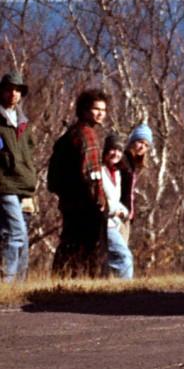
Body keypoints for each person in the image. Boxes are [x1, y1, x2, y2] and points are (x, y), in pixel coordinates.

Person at [51, 88, 110, 278]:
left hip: (70, 202)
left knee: (69, 244)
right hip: (86, 203)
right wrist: (100, 201)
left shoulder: (70, 134)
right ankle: (92, 285)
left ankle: (61, 280)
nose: (100, 113)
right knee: (93, 248)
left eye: (103, 110)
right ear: (85, 110)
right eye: (96, 109)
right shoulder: (87, 135)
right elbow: (91, 174)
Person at [0, 71, 36, 282]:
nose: (13, 93)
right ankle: (8, 282)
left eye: (18, 90)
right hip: (4, 185)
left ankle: (19, 286)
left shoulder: (24, 122)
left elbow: (30, 153)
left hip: (24, 185)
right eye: (9, 89)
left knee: (22, 237)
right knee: (16, 234)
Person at [101, 133, 133, 278]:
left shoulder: (117, 173)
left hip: (115, 222)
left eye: (119, 150)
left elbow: (116, 199)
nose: (116, 154)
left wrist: (124, 211)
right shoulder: (100, 171)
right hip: (104, 223)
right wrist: (114, 210)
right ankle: (126, 294)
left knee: (111, 261)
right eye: (113, 149)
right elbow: (100, 197)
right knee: (124, 257)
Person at [117, 122, 152, 243]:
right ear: (132, 141)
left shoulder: (132, 165)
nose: (142, 147)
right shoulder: (123, 161)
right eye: (140, 142)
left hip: (127, 216)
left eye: (146, 145)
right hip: (118, 214)